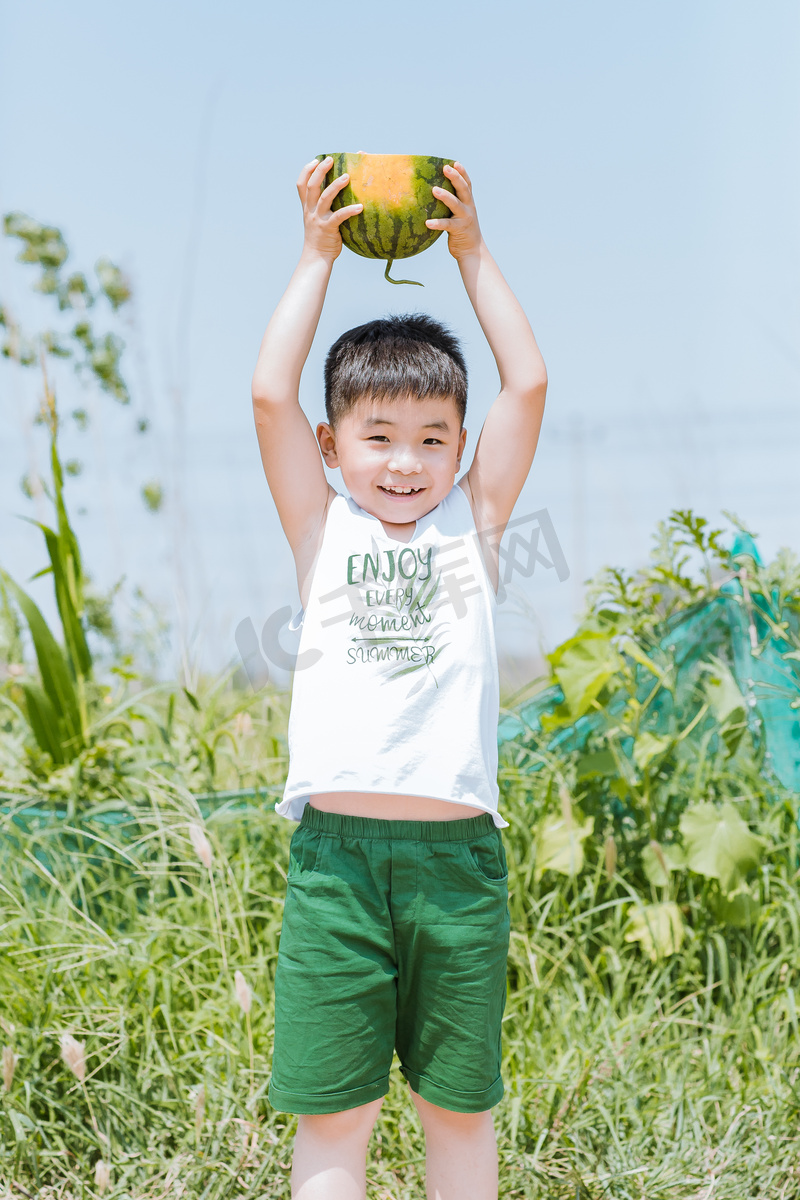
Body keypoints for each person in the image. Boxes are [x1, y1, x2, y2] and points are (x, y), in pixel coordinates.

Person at [251, 155, 547, 1200]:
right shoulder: (320, 528)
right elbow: (265, 392)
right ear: (333, 447)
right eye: (376, 438)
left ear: (460, 447)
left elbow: (527, 384)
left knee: (456, 1105)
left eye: (431, 438)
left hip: (454, 867)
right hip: (333, 868)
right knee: (336, 1108)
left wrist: (469, 252)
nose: (405, 461)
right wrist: (315, 255)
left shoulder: (475, 522)